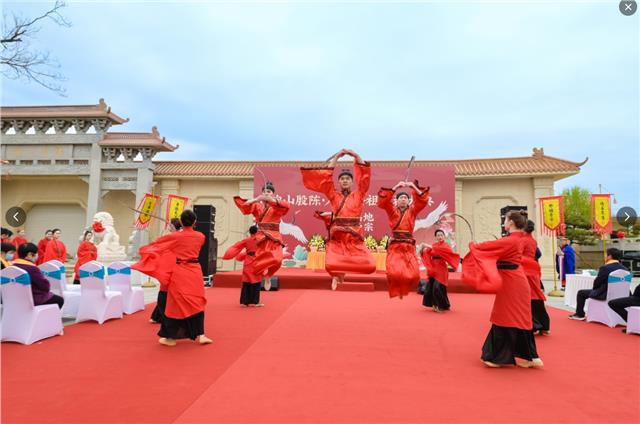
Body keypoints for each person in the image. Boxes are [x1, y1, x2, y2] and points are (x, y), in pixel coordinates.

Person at [462, 210, 543, 368]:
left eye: (505, 219)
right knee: (518, 318)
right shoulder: (520, 239)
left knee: (505, 316)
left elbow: (485, 247)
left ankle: (497, 356)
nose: (504, 222)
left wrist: (473, 245)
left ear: (511, 222)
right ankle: (531, 357)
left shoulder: (512, 240)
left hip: (512, 283)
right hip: (514, 280)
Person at [132, 210, 212, 347]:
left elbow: (158, 244)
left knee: (174, 304)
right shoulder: (201, 236)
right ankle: (201, 335)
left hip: (180, 271)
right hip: (194, 271)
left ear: (181, 221)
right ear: (194, 222)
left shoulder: (176, 237)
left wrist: (147, 250)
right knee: (197, 302)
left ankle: (170, 337)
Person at [301, 149, 376, 290]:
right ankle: (337, 276)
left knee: (370, 264)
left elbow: (364, 178)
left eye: (348, 178)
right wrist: (336, 157)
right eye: (342, 179)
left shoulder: (359, 194)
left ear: (352, 181)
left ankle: (341, 274)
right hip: (338, 235)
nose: (345, 180)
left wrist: (356, 156)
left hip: (354, 237)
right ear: (339, 182)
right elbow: (326, 178)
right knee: (331, 261)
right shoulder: (333, 195)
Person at [377, 180, 430, 299]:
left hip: (408, 246)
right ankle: (399, 290)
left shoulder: (412, 211)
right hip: (395, 246)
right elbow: (383, 202)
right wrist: (395, 187)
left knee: (414, 274)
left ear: (408, 201)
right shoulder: (392, 211)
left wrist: (413, 187)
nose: (403, 199)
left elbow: (423, 201)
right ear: (397, 201)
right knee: (393, 272)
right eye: (400, 198)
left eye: (405, 198)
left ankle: (405, 288)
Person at [234, 181, 290, 290]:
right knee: (258, 262)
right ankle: (258, 281)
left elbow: (286, 206)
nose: (266, 193)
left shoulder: (276, 205)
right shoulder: (257, 205)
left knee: (277, 260)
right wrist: (256, 199)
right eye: (264, 191)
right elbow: (244, 206)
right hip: (261, 238)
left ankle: (268, 275)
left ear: (273, 193)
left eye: (269, 191)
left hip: (274, 237)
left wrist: (271, 200)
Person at [568, 248, 628, 321]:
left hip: (605, 294)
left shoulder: (605, 268)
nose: (605, 257)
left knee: (581, 293)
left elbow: (597, 282)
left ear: (610, 256)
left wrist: (595, 289)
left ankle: (580, 314)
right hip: (622, 294)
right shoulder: (625, 269)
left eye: (606, 255)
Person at [145, 218, 182, 324]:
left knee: (168, 291)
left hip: (174, 265)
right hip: (168, 264)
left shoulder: (177, 236)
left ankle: (160, 316)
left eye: (170, 225)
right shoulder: (173, 236)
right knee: (165, 290)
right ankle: (158, 316)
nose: (168, 227)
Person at [12, 243, 64, 309]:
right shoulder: (32, 268)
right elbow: (45, 287)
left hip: (16, 298)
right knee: (59, 300)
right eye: (36, 253)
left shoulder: (12, 266)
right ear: (29, 254)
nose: (37, 255)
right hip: (34, 298)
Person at [223, 225, 264, 307]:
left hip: (248, 261)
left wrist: (231, 254)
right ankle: (255, 302)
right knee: (256, 282)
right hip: (257, 261)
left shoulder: (247, 240)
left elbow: (237, 246)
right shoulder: (261, 240)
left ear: (250, 232)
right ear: (257, 232)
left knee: (246, 282)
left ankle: (245, 302)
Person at [420, 229, 460, 311]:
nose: (440, 237)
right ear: (435, 237)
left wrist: (427, 246)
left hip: (441, 269)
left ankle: (440, 305)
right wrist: (423, 250)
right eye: (438, 235)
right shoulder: (434, 245)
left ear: (444, 236)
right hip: (434, 268)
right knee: (431, 286)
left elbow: (437, 250)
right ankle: (439, 305)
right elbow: (428, 252)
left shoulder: (445, 246)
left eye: (441, 235)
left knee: (437, 287)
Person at [524, 220, 550, 335]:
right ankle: (543, 325)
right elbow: (538, 254)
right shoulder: (531, 240)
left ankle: (535, 325)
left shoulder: (522, 240)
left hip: (526, 272)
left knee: (530, 298)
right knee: (535, 297)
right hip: (532, 271)